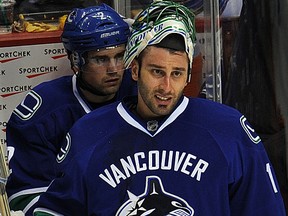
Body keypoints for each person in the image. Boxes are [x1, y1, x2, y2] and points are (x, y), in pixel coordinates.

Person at [32, 1, 286, 215]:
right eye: (156, 71)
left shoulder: (229, 131)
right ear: (134, 70)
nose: (167, 86)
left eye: (177, 73)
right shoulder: (88, 134)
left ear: (188, 75)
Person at [6, 4, 136, 214]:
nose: (114, 69)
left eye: (120, 56)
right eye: (100, 59)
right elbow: (28, 197)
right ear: (76, 60)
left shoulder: (140, 93)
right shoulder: (44, 112)